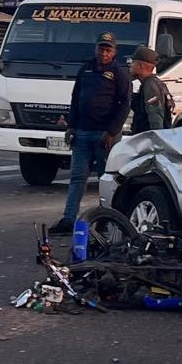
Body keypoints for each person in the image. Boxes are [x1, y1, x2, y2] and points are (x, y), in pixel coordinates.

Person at [49, 32, 130, 234]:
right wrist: (71, 126)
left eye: (108, 49)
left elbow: (124, 105)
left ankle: (104, 221)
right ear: (96, 49)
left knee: (105, 180)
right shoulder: (85, 69)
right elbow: (76, 99)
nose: (104, 52)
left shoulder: (119, 74)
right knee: (77, 178)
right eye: (101, 48)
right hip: (82, 133)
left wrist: (112, 131)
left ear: (114, 52)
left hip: (105, 136)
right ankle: (68, 220)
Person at [129, 46, 173, 133]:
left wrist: (156, 139)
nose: (130, 65)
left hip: (148, 139)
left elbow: (155, 116)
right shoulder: (154, 83)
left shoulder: (150, 85)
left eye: (132, 62)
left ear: (140, 66)